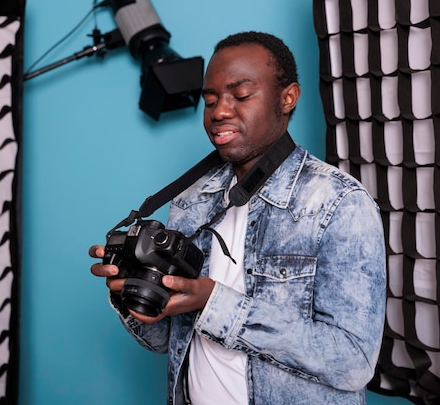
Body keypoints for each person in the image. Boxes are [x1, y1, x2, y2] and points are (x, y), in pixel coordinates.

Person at [89, 31, 386, 405]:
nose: (220, 112)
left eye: (241, 96)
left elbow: (352, 361)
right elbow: (165, 340)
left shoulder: (340, 203)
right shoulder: (192, 197)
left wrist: (213, 302)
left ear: (288, 97)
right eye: (210, 101)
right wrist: (132, 292)